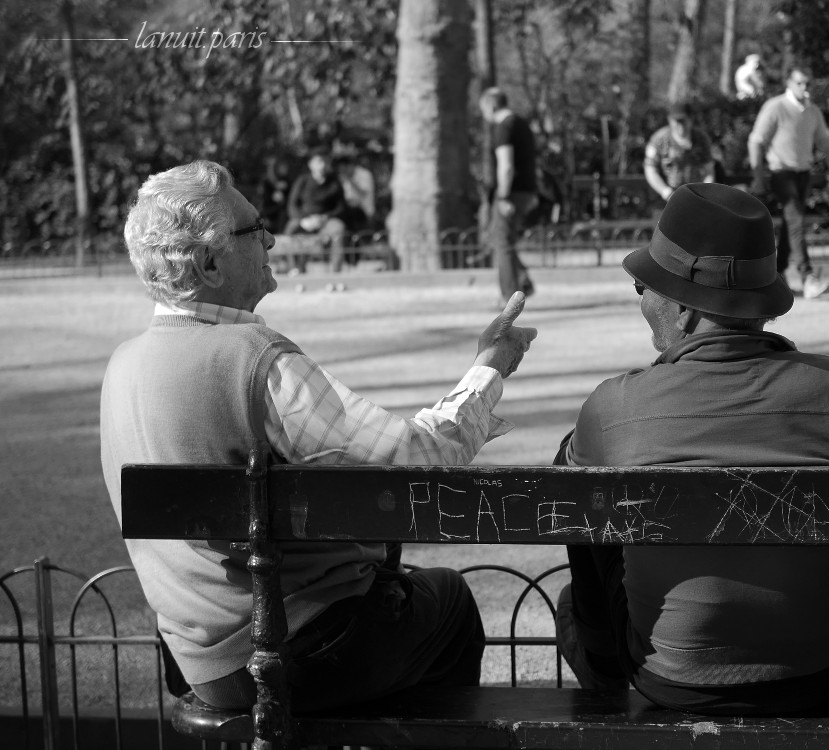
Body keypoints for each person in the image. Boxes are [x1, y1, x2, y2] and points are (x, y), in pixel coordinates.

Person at [102, 160, 537, 711]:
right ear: (210, 261)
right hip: (300, 650)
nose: (272, 241)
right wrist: (489, 368)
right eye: (254, 231)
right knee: (448, 599)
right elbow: (417, 458)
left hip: (198, 664)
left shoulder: (122, 365)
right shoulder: (254, 360)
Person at [554, 183, 829, 717]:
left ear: (682, 310)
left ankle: (608, 672)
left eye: (643, 288)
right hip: (816, 676)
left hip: (669, 681)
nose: (643, 301)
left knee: (580, 477)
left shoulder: (612, 409)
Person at [748, 67, 829, 299]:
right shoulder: (775, 107)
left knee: (792, 225)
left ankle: (776, 276)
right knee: (796, 220)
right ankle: (807, 276)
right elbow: (756, 140)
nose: (804, 88)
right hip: (781, 173)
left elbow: (826, 144)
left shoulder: (812, 111)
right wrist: (758, 174)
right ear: (788, 83)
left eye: (807, 84)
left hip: (803, 174)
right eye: (799, 83)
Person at [479, 87, 536, 302]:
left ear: (491, 106)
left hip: (510, 192)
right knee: (506, 240)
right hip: (527, 189)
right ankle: (523, 280)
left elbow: (506, 166)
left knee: (501, 242)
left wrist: (502, 196)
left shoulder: (504, 127)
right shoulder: (522, 124)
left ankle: (510, 296)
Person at [283, 149, 354, 273]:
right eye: (319, 162)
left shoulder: (334, 182)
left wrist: (325, 218)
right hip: (304, 221)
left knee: (338, 229)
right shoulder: (303, 181)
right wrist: (303, 220)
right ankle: (294, 268)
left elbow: (341, 208)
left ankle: (336, 272)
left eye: (326, 162)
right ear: (311, 164)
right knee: (291, 229)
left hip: (326, 221)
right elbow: (292, 205)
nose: (322, 165)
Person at [642, 102, 715, 207]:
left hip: (696, 198)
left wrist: (706, 195)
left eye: (683, 121)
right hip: (665, 200)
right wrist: (666, 192)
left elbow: (709, 171)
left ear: (691, 119)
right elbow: (650, 169)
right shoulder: (659, 140)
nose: (680, 125)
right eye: (676, 121)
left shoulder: (701, 139)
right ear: (669, 120)